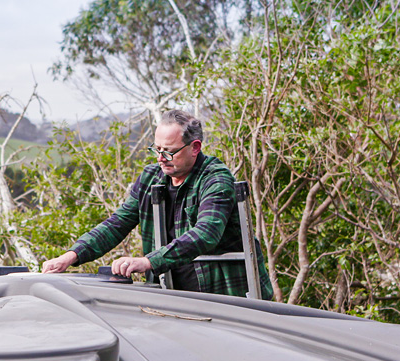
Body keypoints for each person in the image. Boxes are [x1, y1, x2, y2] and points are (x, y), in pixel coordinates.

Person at [42, 109, 273, 300]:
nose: (160, 158)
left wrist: (148, 261)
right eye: (157, 149)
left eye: (170, 152)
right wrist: (71, 256)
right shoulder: (151, 177)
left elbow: (207, 233)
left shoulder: (215, 179)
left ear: (195, 148)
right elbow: (118, 223)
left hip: (225, 297)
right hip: (171, 297)